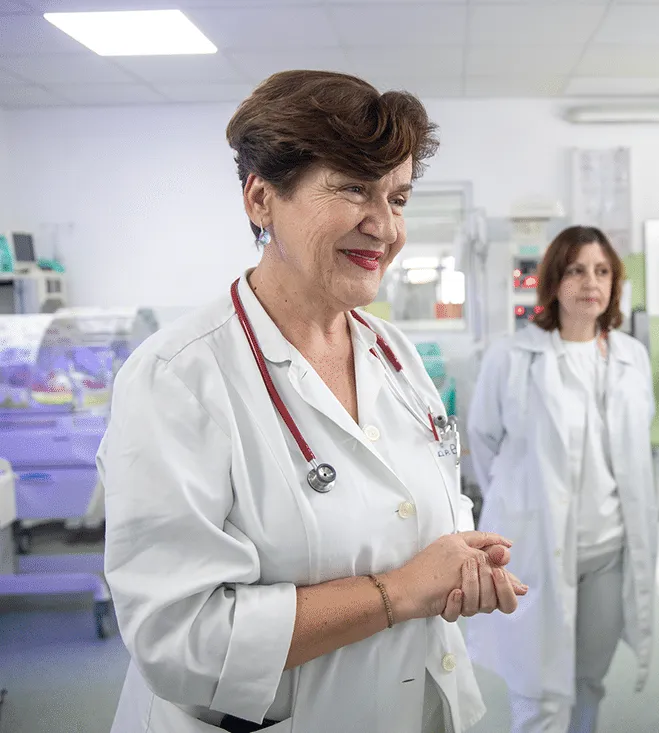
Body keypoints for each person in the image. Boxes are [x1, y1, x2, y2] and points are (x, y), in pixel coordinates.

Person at [98, 70, 526, 733]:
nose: (385, 226)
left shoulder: (393, 353)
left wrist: (460, 561)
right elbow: (179, 640)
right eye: (353, 188)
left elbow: (416, 511)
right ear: (261, 198)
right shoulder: (177, 378)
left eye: (398, 197)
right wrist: (400, 591)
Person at [465, 225, 658, 733]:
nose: (590, 282)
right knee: (539, 692)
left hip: (608, 550)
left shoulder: (631, 357)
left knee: (589, 681)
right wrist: (523, 504)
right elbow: (484, 444)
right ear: (553, 281)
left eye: (602, 271)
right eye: (576, 270)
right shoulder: (511, 358)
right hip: (537, 548)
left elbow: (633, 452)